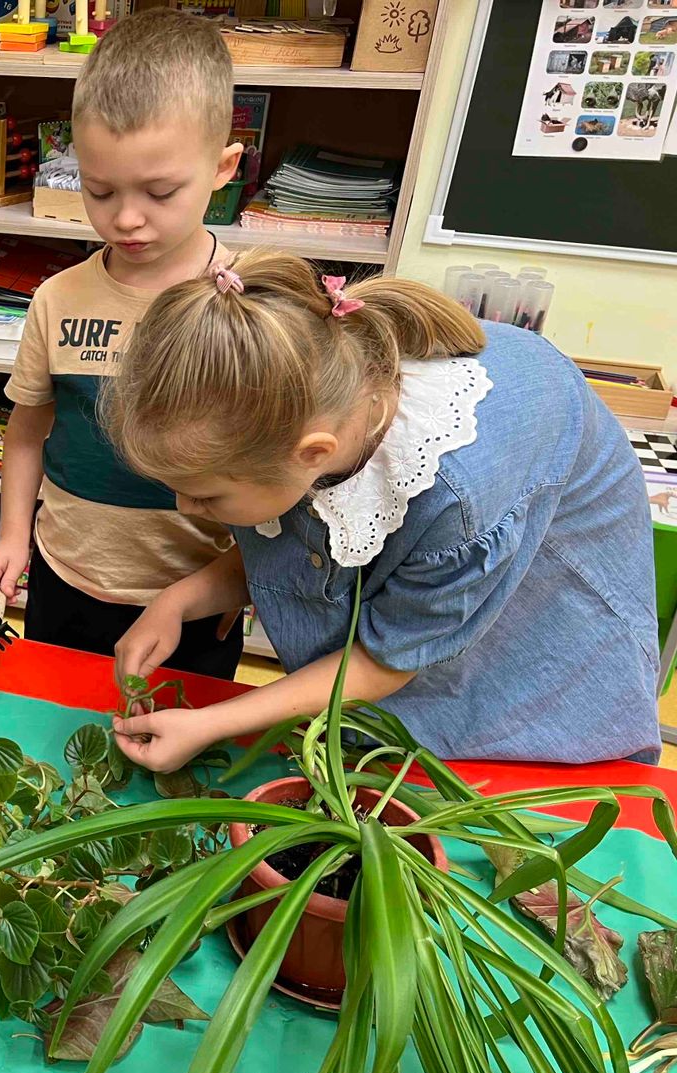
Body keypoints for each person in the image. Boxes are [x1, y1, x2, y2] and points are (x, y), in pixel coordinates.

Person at [102, 251, 660, 768]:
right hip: (416, 618)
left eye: (207, 496)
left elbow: (387, 659)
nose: (185, 506)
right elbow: (293, 533)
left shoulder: (454, 498)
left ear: (313, 455)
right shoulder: (305, 412)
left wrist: (213, 724)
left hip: (538, 642)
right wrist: (180, 600)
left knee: (472, 778)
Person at [0, 9, 246, 678]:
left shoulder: (250, 304)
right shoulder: (58, 299)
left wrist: (237, 578)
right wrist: (13, 535)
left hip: (189, 603)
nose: (125, 219)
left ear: (223, 167)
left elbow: (281, 480)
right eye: (99, 191)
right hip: (64, 579)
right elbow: (27, 430)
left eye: (159, 192)